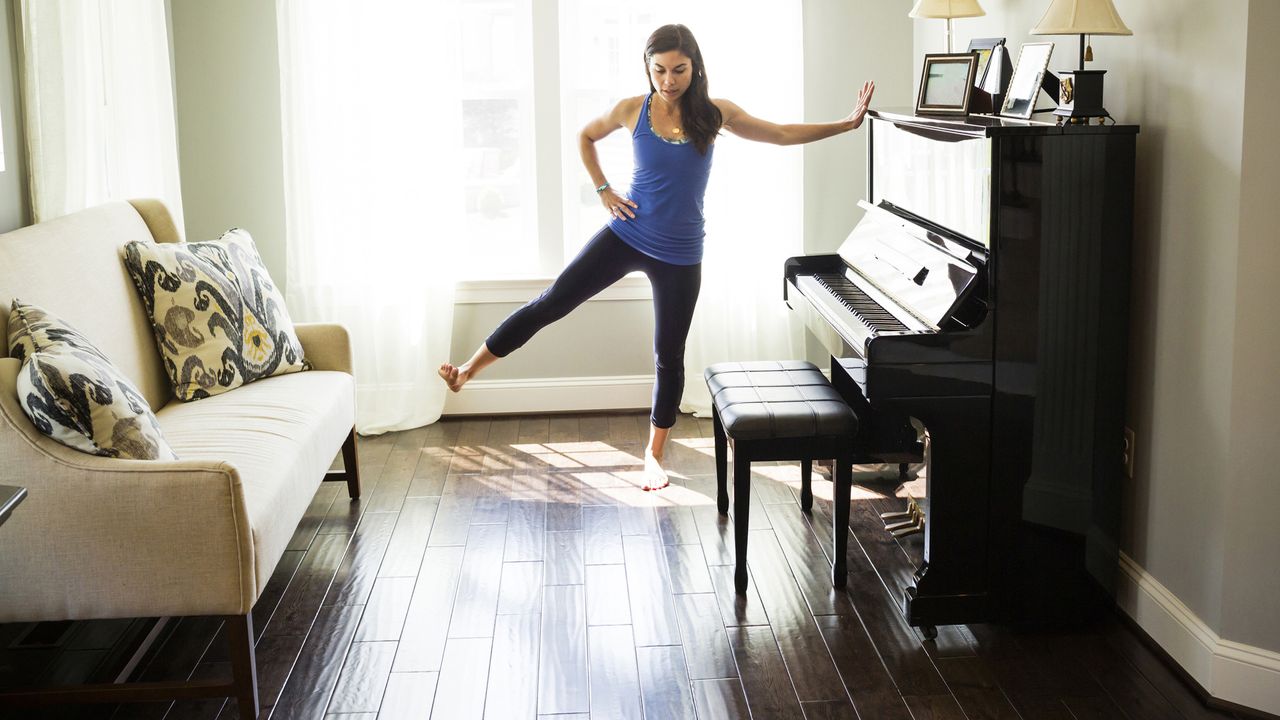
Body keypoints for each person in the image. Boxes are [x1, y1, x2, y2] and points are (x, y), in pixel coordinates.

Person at [440, 23, 875, 491]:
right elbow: (585, 137)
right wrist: (603, 190)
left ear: (696, 67)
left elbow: (781, 134)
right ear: (648, 69)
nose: (669, 80)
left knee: (668, 355)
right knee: (551, 302)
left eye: (679, 70)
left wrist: (845, 124)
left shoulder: (714, 113)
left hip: (682, 255)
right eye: (660, 70)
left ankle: (653, 453)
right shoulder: (633, 109)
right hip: (626, 234)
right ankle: (467, 370)